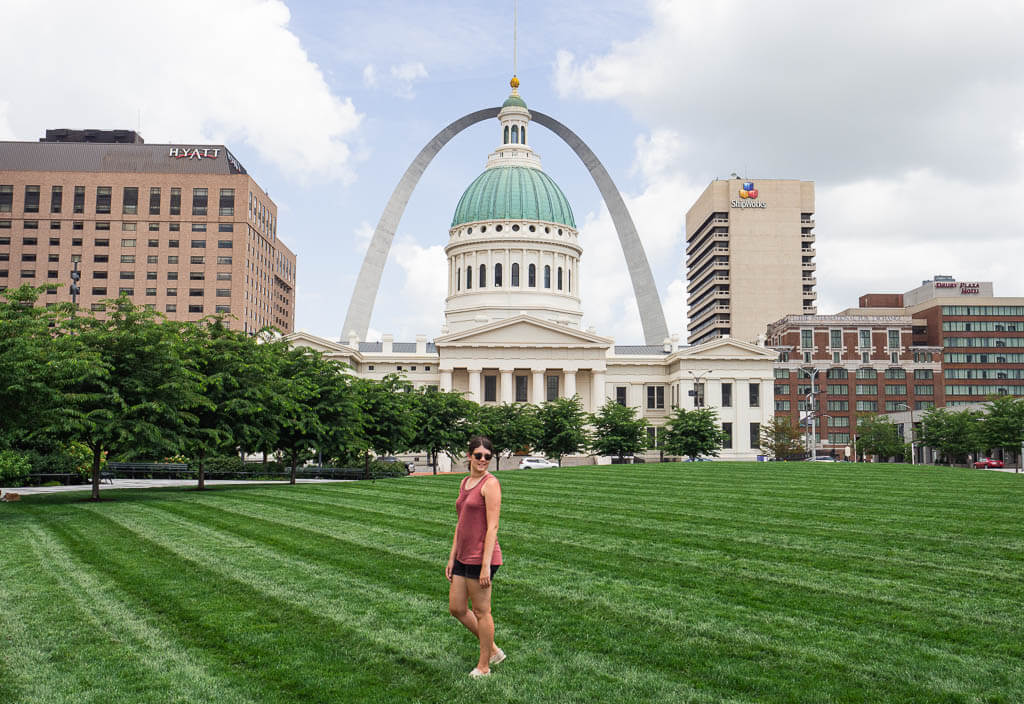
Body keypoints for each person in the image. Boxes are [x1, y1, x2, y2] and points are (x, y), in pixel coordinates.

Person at [446, 435, 505, 678]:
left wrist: (484, 566)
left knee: (482, 612)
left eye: (488, 457)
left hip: (483, 558)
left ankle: (484, 665)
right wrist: (452, 557)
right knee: (457, 608)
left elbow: (492, 527)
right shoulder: (465, 482)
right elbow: (461, 524)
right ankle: (492, 649)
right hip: (462, 556)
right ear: (469, 456)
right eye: (479, 455)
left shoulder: (490, 484)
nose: (483, 460)